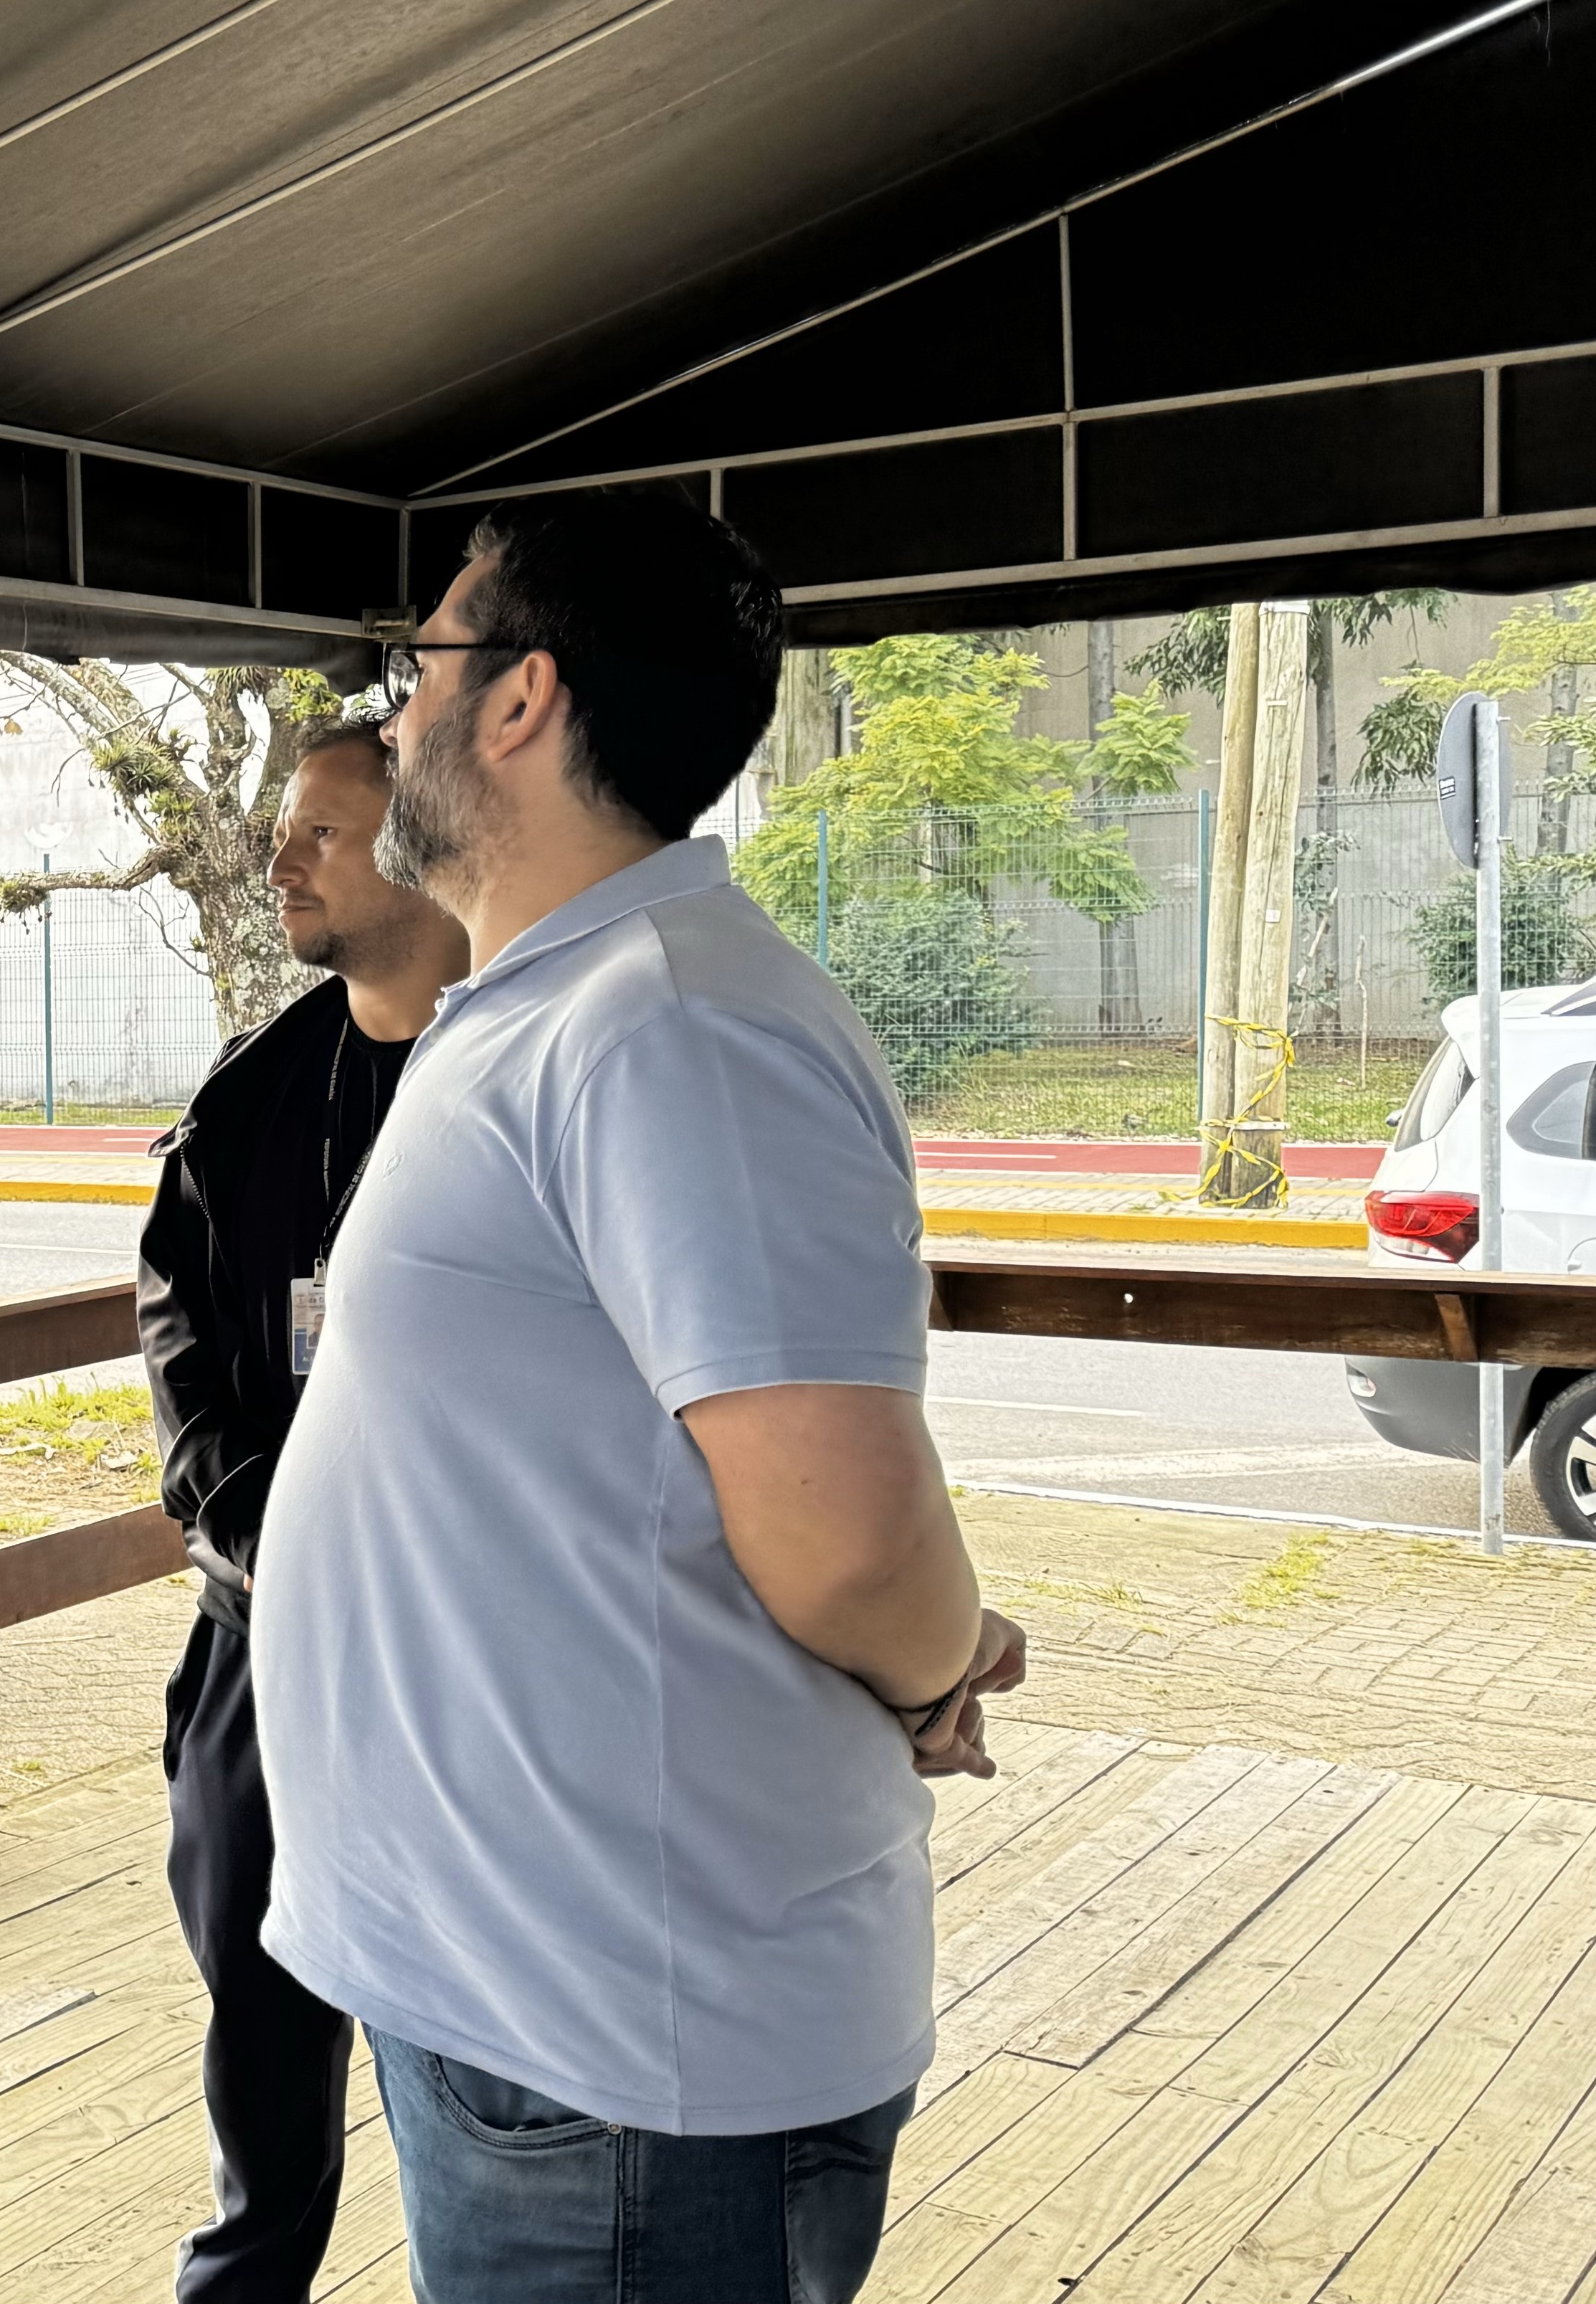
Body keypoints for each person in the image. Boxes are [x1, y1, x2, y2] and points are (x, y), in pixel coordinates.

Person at [248, 487, 1028, 2304]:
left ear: (518, 700)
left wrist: (935, 1666)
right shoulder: (562, 1001)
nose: (395, 708)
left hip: (624, 2055)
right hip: (530, 2005)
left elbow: (843, 1533)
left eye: (419, 662)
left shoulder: (674, 1019)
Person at [133, 718, 467, 2303]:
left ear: (417, 849)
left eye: (319, 834)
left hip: (454, 1657)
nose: (280, 862)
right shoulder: (256, 1097)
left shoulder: (514, 1073)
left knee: (455, 2031)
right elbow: (178, 1316)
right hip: (260, 1638)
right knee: (260, 2015)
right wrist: (245, 1512)